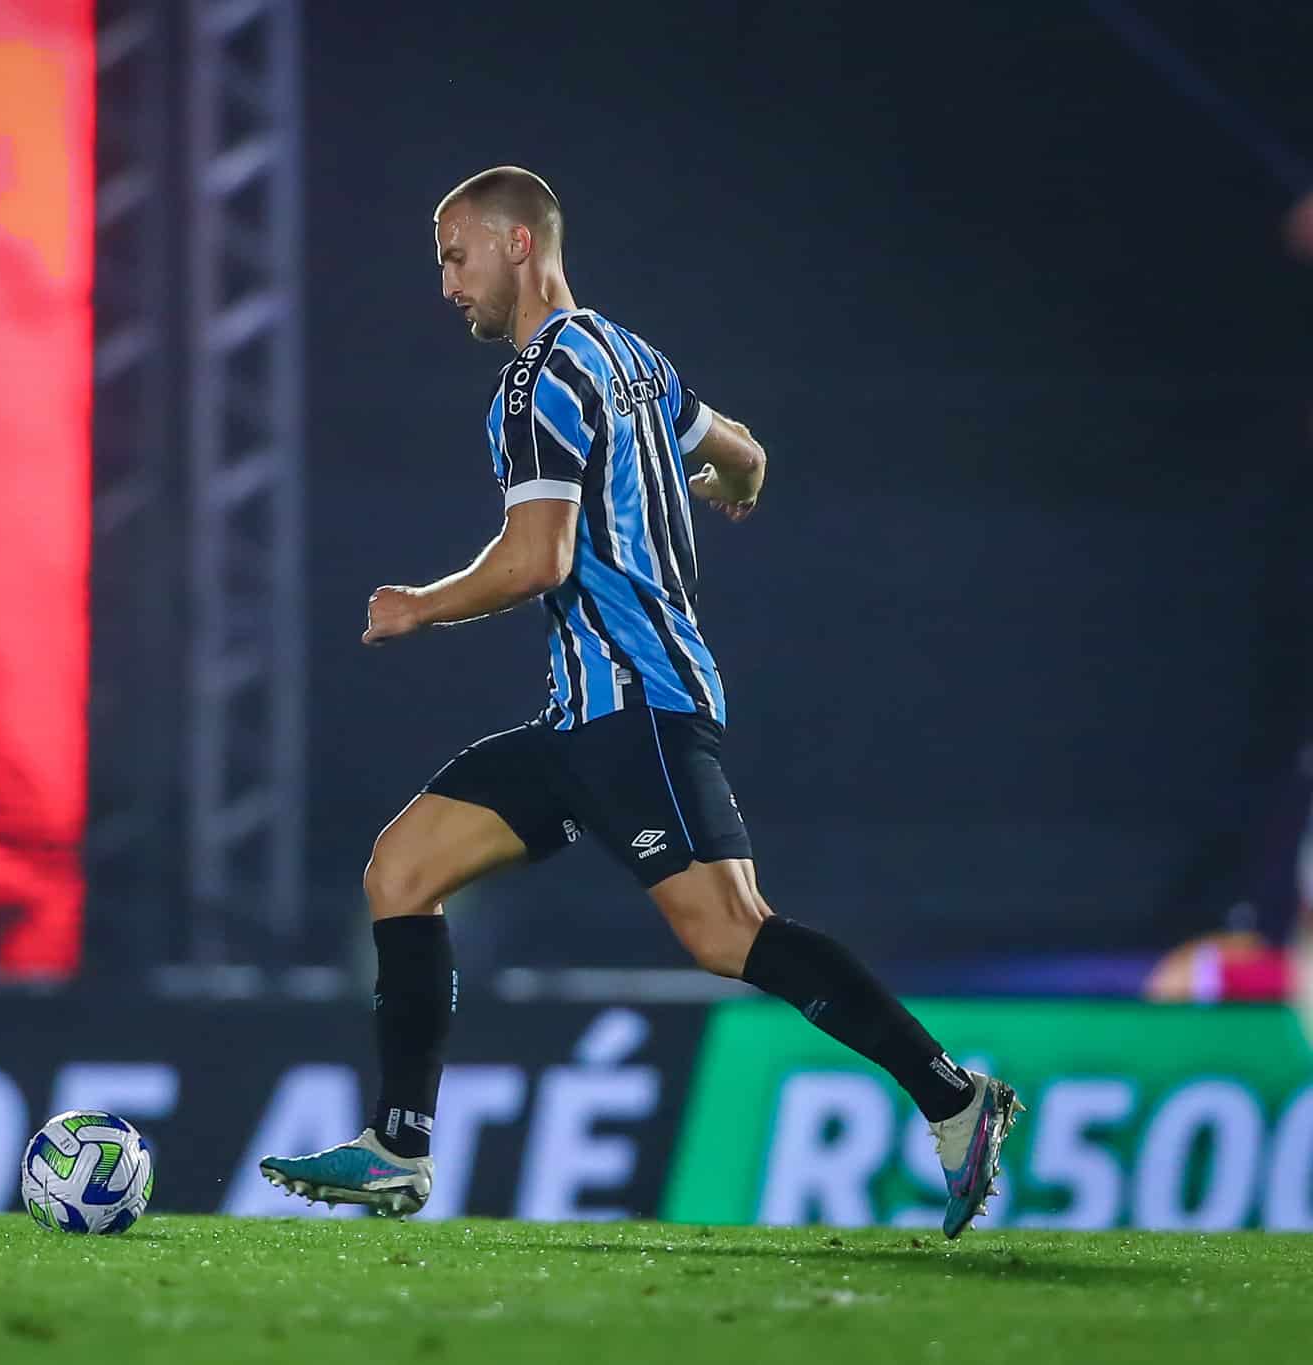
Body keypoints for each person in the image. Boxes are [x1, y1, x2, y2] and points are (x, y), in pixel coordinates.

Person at [259, 166, 1021, 1238]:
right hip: (581, 719)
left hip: (638, 706)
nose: (446, 285)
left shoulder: (536, 383)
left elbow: (536, 557)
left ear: (518, 243)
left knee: (727, 932)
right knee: (402, 868)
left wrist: (419, 606)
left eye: (455, 256)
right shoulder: (630, 358)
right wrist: (735, 489)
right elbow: (742, 452)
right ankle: (398, 1144)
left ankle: (953, 1097)